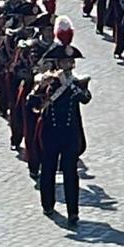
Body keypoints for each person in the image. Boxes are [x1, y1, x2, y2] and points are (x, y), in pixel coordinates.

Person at [33, 18, 90, 226]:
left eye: (70, 63)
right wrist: (44, 86)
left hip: (69, 133)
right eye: (64, 63)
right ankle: (48, 204)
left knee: (70, 172)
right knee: (47, 168)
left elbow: (86, 98)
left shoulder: (75, 82)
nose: (67, 66)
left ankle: (73, 211)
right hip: (50, 132)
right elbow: (33, 102)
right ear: (58, 63)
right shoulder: (48, 81)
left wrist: (76, 87)